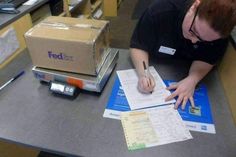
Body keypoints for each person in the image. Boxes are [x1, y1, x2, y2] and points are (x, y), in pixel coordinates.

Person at [130, 0, 236, 109]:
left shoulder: (219, 32)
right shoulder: (160, 11)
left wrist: (192, 79)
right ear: (194, 7)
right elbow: (139, 45)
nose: (194, 41)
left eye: (203, 40)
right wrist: (144, 73)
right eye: (193, 30)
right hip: (157, 62)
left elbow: (208, 58)